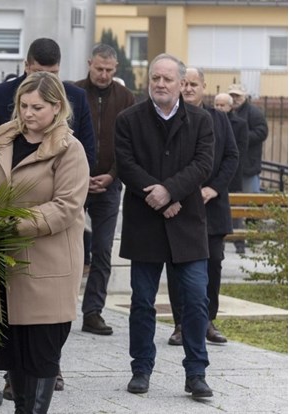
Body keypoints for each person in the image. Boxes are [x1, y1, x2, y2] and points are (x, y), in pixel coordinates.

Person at [0, 36, 95, 393]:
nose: (28, 114)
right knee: (15, 361)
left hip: (47, 269)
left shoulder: (69, 149)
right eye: (23, 106)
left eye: (37, 107)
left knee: (42, 360)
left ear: (56, 108)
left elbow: (66, 207)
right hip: (7, 268)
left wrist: (11, 223)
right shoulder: (2, 140)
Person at [115, 54, 215, 399]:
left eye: (167, 79)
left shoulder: (201, 120)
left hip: (186, 224)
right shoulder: (128, 119)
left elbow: (203, 163)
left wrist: (170, 192)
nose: (160, 84)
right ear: (149, 81)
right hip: (145, 223)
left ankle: (196, 373)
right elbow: (125, 164)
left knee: (195, 300)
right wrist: (155, 194)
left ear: (180, 83)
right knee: (142, 301)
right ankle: (141, 368)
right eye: (155, 78)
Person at [165, 68, 239, 347]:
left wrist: (214, 188)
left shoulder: (219, 119)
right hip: (179, 204)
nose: (188, 89)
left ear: (203, 87)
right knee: (177, 265)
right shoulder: (170, 117)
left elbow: (232, 157)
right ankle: (181, 323)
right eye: (183, 83)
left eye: (193, 84)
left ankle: (207, 320)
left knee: (213, 264)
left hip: (212, 205)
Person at [74, 44, 136, 336]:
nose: (104, 74)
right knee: (69, 250)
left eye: (110, 70)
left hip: (110, 185)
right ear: (89, 63)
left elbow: (130, 145)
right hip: (73, 183)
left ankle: (93, 311)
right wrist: (80, 176)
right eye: (99, 68)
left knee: (102, 249)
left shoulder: (126, 98)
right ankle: (62, 309)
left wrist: (112, 176)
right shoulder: (73, 92)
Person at [0, 38, 95, 169]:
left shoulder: (76, 97)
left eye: (53, 73)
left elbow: (87, 152)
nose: (46, 79)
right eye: (38, 72)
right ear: (26, 66)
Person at [228, 84, 268, 195]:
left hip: (248, 165)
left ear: (244, 96)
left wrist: (241, 137)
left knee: (250, 202)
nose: (234, 99)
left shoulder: (254, 112)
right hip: (232, 166)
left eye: (237, 96)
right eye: (232, 96)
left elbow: (262, 132)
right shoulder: (228, 112)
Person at [214, 93, 250, 194]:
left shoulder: (240, 124)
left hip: (232, 171)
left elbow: (241, 150)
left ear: (230, 107)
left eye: (222, 105)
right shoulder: (208, 120)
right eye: (216, 105)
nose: (219, 108)